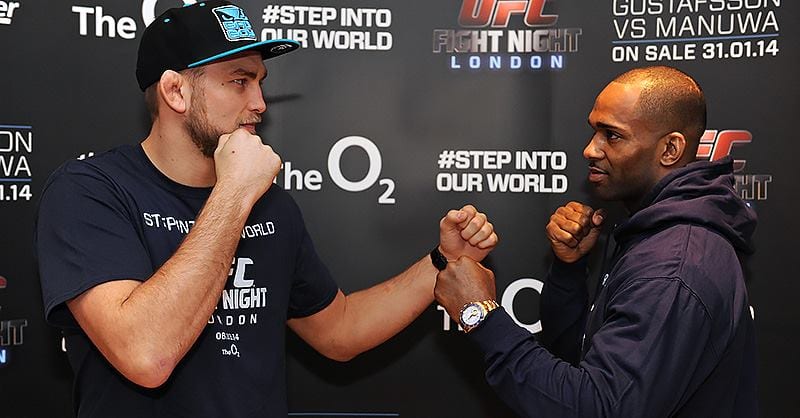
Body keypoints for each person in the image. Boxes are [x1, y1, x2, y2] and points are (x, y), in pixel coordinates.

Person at [34, 2, 498, 417]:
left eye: (259, 82)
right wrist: (234, 194)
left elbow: (339, 330)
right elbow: (146, 355)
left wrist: (440, 260)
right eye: (238, 81)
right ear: (175, 92)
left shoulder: (270, 205)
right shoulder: (91, 191)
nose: (258, 104)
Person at [434, 66, 758, 417]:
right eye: (594, 132)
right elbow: (576, 363)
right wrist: (569, 271)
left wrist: (480, 315)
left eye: (612, 136)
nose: (590, 149)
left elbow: (598, 409)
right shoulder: (652, 233)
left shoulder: (673, 266)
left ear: (670, 149)